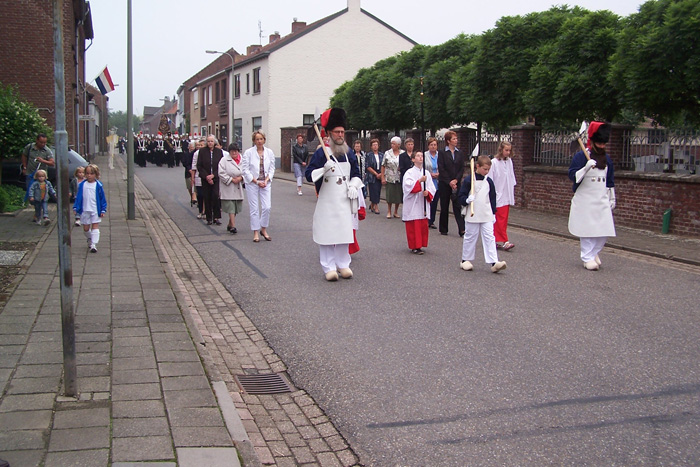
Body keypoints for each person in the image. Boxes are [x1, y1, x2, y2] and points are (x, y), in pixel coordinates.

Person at [305, 108, 363, 281]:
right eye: (337, 132)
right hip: (328, 200)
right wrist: (323, 169)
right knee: (328, 233)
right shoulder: (321, 153)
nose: (340, 135)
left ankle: (343, 264)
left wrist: (354, 185)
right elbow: (309, 174)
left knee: (344, 233)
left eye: (342, 132)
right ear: (329, 133)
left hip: (344, 200)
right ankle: (328, 267)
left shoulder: (349, 152)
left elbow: (357, 173)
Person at [568, 121, 616, 271]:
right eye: (599, 143)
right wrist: (585, 169)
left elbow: (610, 181)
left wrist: (612, 197)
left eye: (604, 144)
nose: (602, 146)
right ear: (593, 142)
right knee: (587, 230)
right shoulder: (581, 157)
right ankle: (587, 256)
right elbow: (573, 176)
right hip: (585, 199)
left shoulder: (607, 160)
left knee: (604, 230)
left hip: (601, 199)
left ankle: (594, 252)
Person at [458, 155, 507, 273]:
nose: (487, 171)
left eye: (488, 169)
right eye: (485, 169)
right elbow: (460, 197)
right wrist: (467, 200)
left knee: (489, 237)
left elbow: (492, 198)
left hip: (486, 214)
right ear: (477, 166)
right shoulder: (469, 180)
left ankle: (494, 262)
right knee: (470, 236)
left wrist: (494, 213)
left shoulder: (489, 181)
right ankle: (466, 260)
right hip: (473, 214)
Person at [241, 130, 276, 242]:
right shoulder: (248, 153)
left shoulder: (269, 152)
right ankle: (256, 232)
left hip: (265, 183)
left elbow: (272, 168)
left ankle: (263, 229)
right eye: (257, 139)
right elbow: (245, 169)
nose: (259, 141)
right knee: (254, 208)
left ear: (264, 140)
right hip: (253, 183)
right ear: (254, 141)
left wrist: (266, 180)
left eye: (261, 139)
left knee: (267, 207)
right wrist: (256, 181)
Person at [402, 152, 436, 254]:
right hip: (413, 202)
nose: (420, 158)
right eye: (418, 156)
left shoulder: (427, 173)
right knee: (413, 225)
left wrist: (428, 193)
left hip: (422, 202)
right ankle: (414, 246)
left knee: (422, 224)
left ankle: (421, 244)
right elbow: (407, 186)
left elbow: (431, 187)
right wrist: (419, 181)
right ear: (413, 159)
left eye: (422, 156)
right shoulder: (409, 173)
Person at [487, 141, 517, 251]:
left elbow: (511, 177)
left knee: (503, 219)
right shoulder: (494, 162)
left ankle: (495, 239)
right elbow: (490, 179)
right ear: (501, 150)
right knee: (498, 218)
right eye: (506, 150)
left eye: (509, 150)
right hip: (498, 194)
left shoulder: (509, 162)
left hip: (506, 194)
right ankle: (505, 240)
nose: (508, 153)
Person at [73, 163, 107, 253]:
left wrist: (103, 209)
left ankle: (94, 244)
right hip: (85, 209)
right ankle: (90, 238)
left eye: (91, 174)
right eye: (87, 173)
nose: (89, 175)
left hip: (95, 209)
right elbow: (78, 197)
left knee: (95, 226)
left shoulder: (98, 186)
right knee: (86, 228)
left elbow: (102, 198)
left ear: (96, 174)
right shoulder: (82, 185)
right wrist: (76, 207)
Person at [437, 130, 465, 236]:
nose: (456, 140)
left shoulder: (460, 153)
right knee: (444, 206)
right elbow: (442, 168)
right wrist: (449, 181)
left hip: (456, 183)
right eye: (454, 139)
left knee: (458, 205)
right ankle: (443, 228)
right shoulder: (442, 153)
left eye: (456, 138)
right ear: (448, 141)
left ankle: (462, 229)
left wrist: (456, 180)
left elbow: (461, 168)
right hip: (445, 183)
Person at [196, 135, 224, 225]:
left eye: (211, 141)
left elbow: (221, 166)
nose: (210, 143)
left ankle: (216, 217)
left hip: (215, 177)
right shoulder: (202, 151)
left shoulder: (219, 152)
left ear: (214, 142)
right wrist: (207, 176)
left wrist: (213, 175)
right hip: (205, 178)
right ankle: (209, 217)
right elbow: (199, 166)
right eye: (208, 141)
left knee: (215, 196)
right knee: (207, 197)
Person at [219, 143, 245, 234]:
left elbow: (247, 172)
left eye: (236, 151)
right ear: (229, 152)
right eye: (232, 151)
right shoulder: (224, 160)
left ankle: (230, 223)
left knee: (236, 208)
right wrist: (230, 179)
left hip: (238, 187)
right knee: (231, 207)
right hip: (228, 187)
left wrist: (241, 178)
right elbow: (221, 172)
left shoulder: (243, 160)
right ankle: (233, 226)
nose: (234, 152)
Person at [21, 133, 55, 203]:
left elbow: (52, 163)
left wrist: (43, 161)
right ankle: (34, 206)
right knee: (31, 192)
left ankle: (39, 209)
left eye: (45, 142)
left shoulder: (47, 150)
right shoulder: (30, 147)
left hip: (41, 177)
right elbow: (24, 156)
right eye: (41, 142)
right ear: (37, 140)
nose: (43, 144)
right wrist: (24, 167)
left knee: (40, 194)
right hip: (30, 174)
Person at [381, 136, 402, 219]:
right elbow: (383, 165)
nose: (392, 145)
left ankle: (396, 211)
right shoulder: (387, 153)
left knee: (398, 195)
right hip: (389, 176)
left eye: (394, 144)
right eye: (391, 143)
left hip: (399, 177)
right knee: (389, 195)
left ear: (398, 145)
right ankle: (389, 211)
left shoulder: (402, 153)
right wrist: (383, 177)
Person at [364, 138, 383, 214]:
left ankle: (372, 204)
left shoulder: (382, 155)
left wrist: (381, 174)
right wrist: (375, 174)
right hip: (372, 175)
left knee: (378, 191)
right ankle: (376, 207)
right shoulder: (368, 155)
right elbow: (367, 166)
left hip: (380, 174)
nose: (375, 146)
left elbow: (384, 165)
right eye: (373, 145)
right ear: (371, 146)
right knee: (373, 191)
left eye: (376, 145)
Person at [425, 137, 440, 229]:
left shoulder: (440, 155)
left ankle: (431, 221)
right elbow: (422, 168)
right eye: (431, 145)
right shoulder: (424, 155)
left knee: (435, 203)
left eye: (435, 145)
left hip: (437, 182)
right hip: (428, 181)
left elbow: (443, 166)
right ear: (428, 146)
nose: (433, 146)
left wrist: (439, 174)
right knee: (428, 202)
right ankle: (426, 219)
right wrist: (430, 174)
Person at [190, 138, 206, 219]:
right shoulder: (196, 153)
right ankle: (200, 211)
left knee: (206, 195)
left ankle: (206, 211)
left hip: (207, 177)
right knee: (200, 195)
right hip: (198, 177)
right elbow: (193, 166)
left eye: (202, 145)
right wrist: (192, 178)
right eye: (199, 145)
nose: (200, 146)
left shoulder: (208, 153)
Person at [182, 140, 197, 207]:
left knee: (196, 186)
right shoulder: (186, 153)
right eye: (190, 147)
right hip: (188, 172)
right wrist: (189, 169)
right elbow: (184, 162)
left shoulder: (195, 153)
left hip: (195, 171)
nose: (191, 148)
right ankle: (192, 196)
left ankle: (195, 197)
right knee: (189, 186)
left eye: (192, 147)